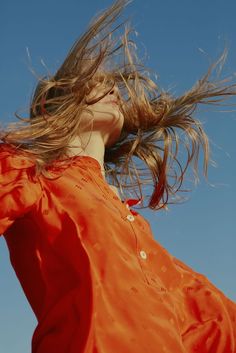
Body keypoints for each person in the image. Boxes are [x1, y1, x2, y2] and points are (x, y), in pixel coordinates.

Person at [0, 1, 235, 352]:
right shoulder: (30, 171)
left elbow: (204, 315)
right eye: (94, 84)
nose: (113, 90)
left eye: (115, 87)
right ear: (55, 105)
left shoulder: (132, 222)